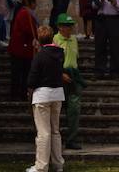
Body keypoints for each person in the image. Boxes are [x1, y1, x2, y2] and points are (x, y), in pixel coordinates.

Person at [26, 26, 66, 172]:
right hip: (57, 93)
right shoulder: (60, 53)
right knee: (55, 131)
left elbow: (32, 79)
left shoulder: (40, 55)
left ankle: (41, 166)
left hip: (42, 94)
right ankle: (58, 163)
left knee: (43, 132)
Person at [53, 14, 85, 150]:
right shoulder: (55, 39)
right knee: (57, 110)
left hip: (73, 75)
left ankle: (71, 139)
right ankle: (55, 139)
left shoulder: (73, 39)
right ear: (60, 27)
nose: (69, 29)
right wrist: (60, 73)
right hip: (60, 75)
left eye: (70, 26)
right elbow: (52, 60)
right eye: (66, 26)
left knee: (74, 109)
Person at [9, 0, 38, 101]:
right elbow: (28, 29)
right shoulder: (25, 13)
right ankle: (17, 94)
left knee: (23, 73)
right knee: (20, 73)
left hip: (23, 50)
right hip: (21, 50)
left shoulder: (25, 13)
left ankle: (21, 93)